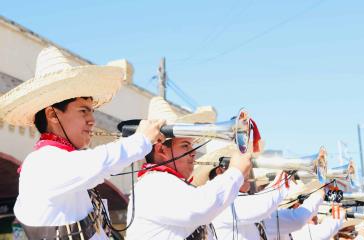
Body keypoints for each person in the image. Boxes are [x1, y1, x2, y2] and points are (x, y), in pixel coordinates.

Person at [0, 46, 164, 240]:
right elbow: (98, 162)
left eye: (92, 111)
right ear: (52, 114)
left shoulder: (64, 160)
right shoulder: (42, 162)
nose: (92, 120)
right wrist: (141, 140)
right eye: (83, 111)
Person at [125, 97, 253, 240]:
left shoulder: (169, 183)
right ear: (161, 150)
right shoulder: (153, 183)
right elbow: (201, 207)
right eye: (185, 145)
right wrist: (235, 172)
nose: (193, 152)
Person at [193, 144, 293, 240]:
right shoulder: (220, 200)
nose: (247, 171)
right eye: (239, 166)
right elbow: (263, 205)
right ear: (220, 171)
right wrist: (286, 175)